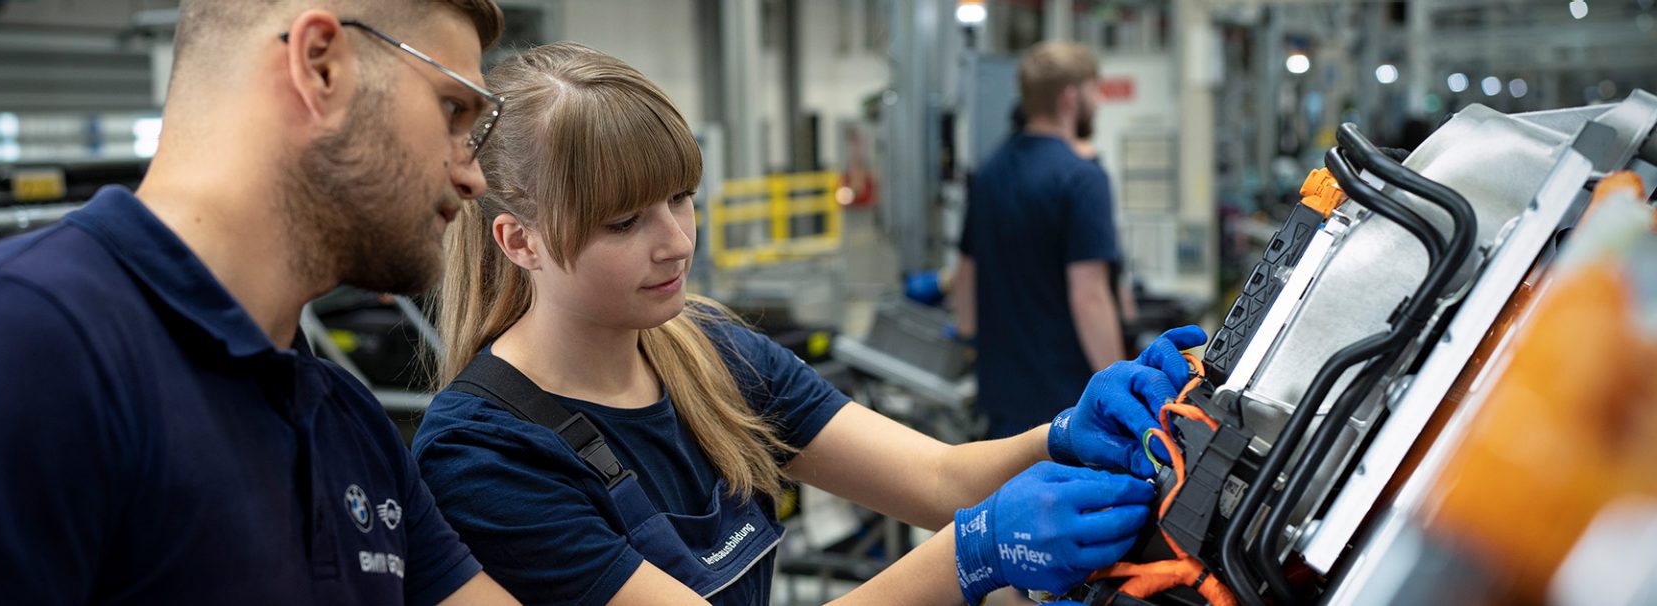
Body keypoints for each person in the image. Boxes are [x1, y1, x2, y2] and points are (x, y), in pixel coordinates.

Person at [411, 42, 1206, 605]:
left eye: (682, 198)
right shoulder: (484, 453)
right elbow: (960, 524)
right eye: (625, 222)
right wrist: (972, 553)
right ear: (519, 240)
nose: (677, 241)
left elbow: (940, 480)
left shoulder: (711, 353)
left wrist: (1063, 434)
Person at [0, 1, 525, 603]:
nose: (470, 173)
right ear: (321, 66)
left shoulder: (343, 417)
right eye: (454, 109)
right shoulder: (1, 351)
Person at [954, 41, 1124, 439]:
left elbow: (965, 285)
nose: (1098, 103)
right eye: (1094, 91)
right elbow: (1090, 296)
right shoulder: (1082, 177)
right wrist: (1117, 388)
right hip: (1066, 404)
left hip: (1001, 398)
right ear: (1070, 97)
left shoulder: (989, 172)